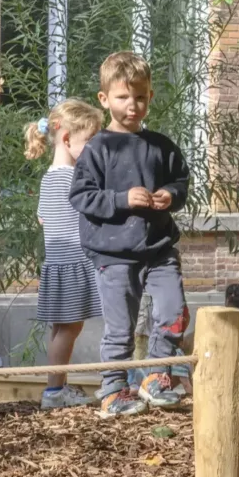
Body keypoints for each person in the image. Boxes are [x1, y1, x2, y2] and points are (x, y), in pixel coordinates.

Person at [70, 51, 191, 418]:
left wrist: (171, 195)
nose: (133, 105)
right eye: (123, 97)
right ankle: (112, 389)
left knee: (174, 312)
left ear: (150, 97)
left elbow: (181, 182)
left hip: (159, 248)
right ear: (104, 99)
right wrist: (122, 199)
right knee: (120, 327)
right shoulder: (98, 148)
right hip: (114, 254)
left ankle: (157, 375)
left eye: (140, 97)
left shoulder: (161, 145)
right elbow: (81, 196)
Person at [23, 99, 103, 410]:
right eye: (89, 142)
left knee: (62, 327)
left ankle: (58, 386)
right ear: (68, 140)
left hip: (56, 261)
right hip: (71, 260)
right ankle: (54, 391)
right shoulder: (74, 180)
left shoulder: (47, 178)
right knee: (69, 328)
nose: (94, 150)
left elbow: (42, 217)